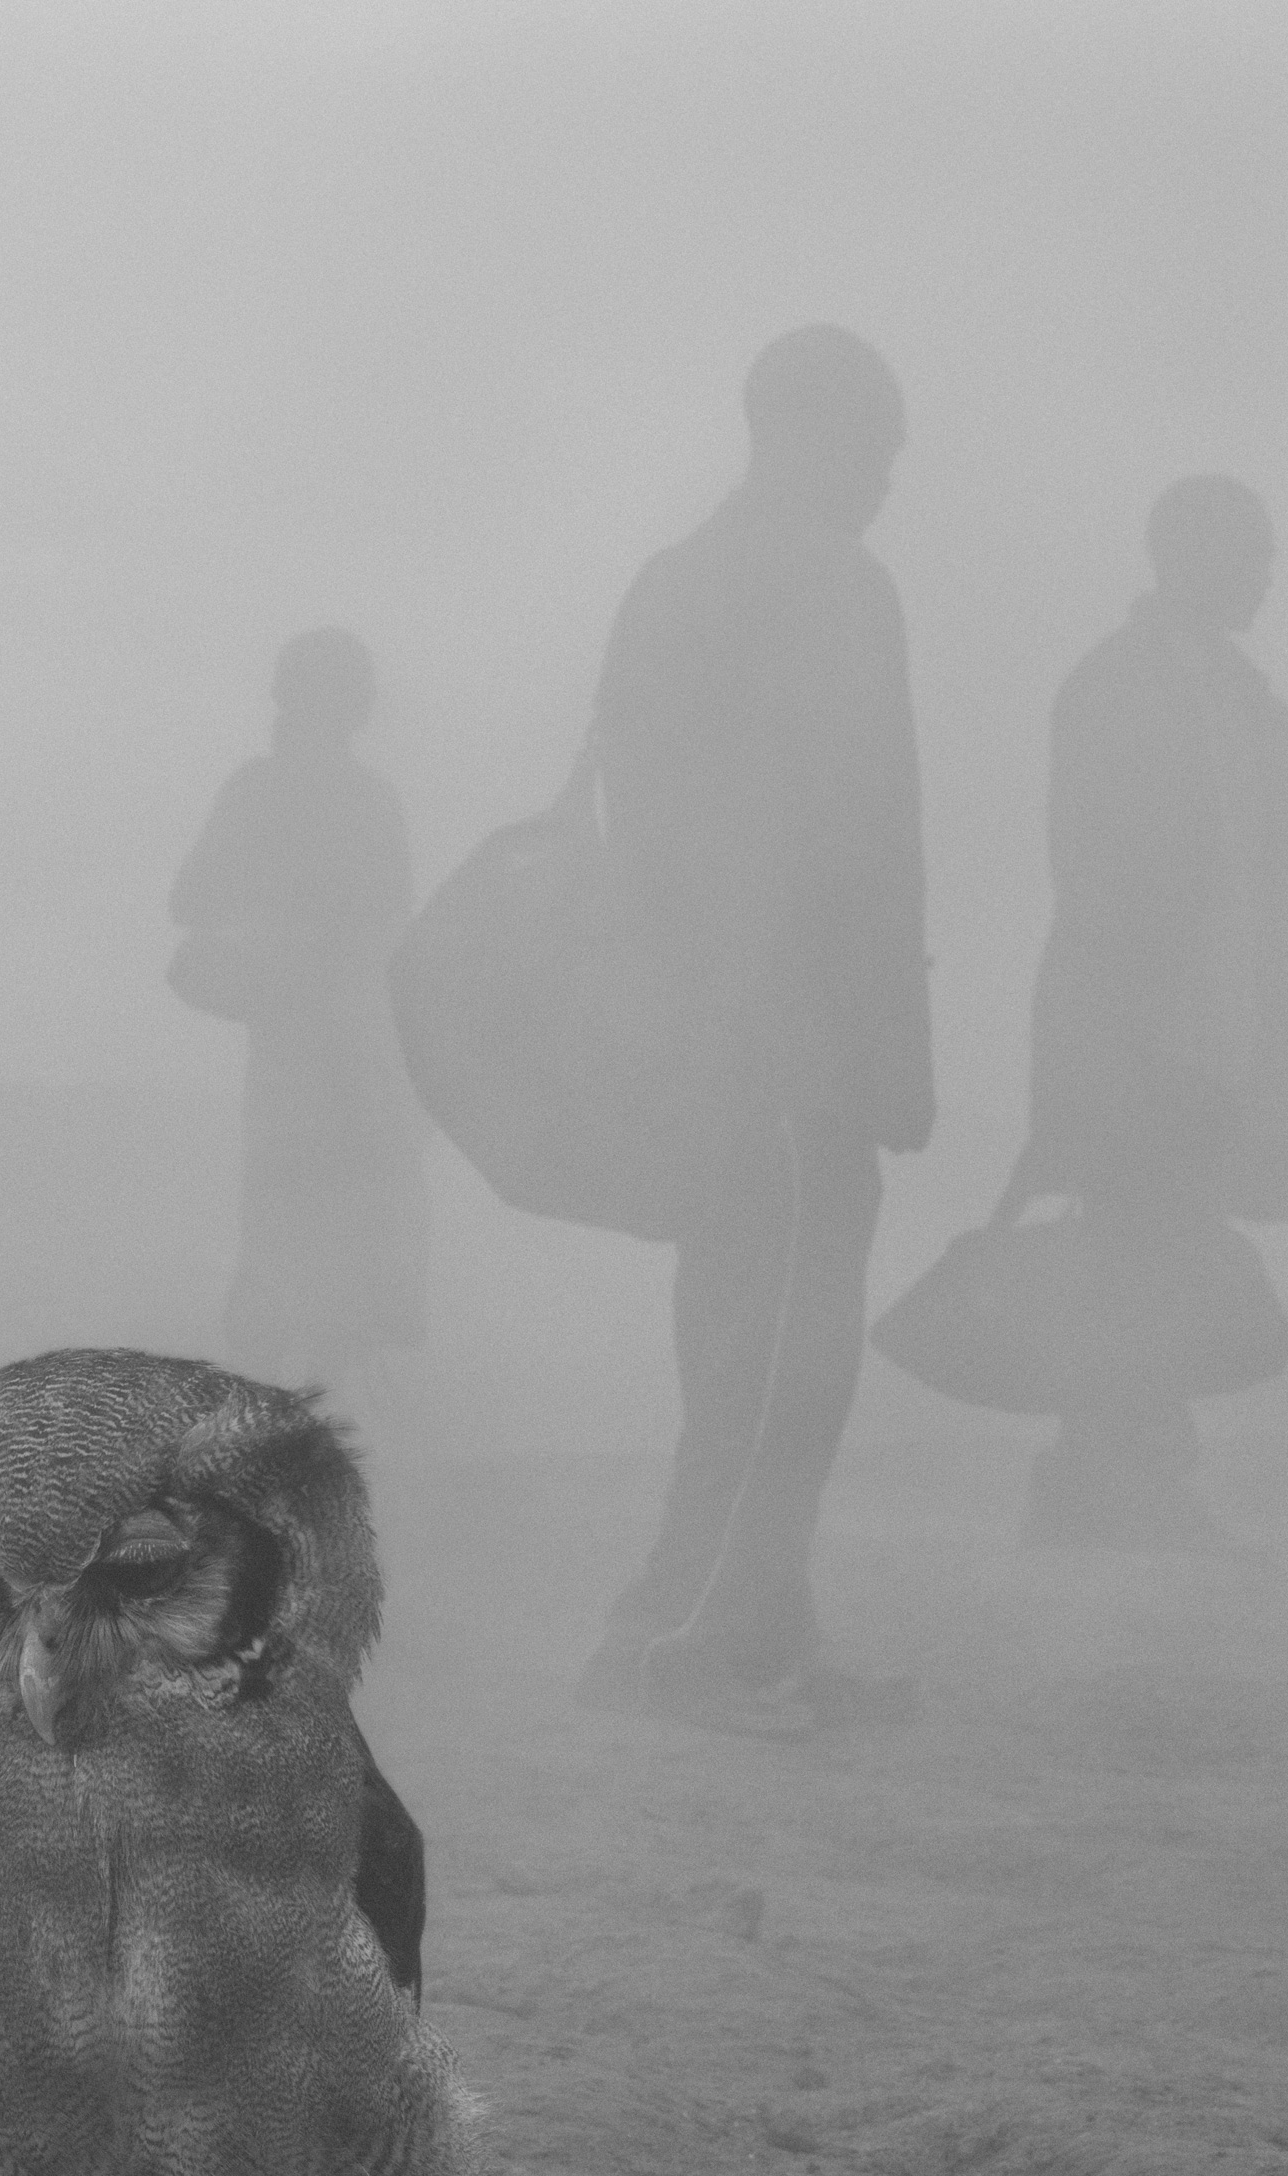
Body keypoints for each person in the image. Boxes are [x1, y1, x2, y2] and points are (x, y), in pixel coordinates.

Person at [573, 327, 930, 1738]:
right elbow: (682, 830)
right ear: (792, 430)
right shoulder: (753, 585)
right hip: (771, 1040)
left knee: (783, 1332)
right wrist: (760, 1017)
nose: (888, 478)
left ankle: (765, 1624)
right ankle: (664, 1636)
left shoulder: (786, 582)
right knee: (771, 1343)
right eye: (874, 446)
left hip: (797, 1041)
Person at [1013, 475, 1288, 1545]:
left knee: (1171, 1250)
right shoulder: (1113, 689)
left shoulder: (1255, 707)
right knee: (1131, 1249)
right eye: (1253, 552)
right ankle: (1110, 1481)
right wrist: (1116, 1035)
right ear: (1188, 555)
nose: (1268, 573)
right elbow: (1086, 875)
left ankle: (1126, 1478)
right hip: (1137, 1032)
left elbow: (1261, 894)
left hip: (1221, 1032)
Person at [166, 627, 426, 1395]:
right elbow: (193, 900)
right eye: (350, 687)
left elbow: (191, 899)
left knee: (306, 1240)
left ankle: (285, 1423)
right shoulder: (339, 798)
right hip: (325, 1051)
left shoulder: (275, 792)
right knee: (312, 1239)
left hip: (322, 1050)